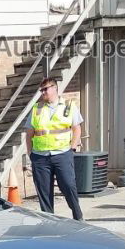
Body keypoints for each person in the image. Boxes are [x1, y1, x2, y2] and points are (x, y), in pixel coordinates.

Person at [24, 77, 84, 221]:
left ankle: (78, 216)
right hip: (40, 156)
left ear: (55, 88)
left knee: (68, 186)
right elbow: (29, 133)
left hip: (62, 153)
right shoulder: (36, 109)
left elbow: (77, 128)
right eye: (41, 90)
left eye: (46, 89)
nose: (43, 92)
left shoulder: (69, 106)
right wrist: (30, 153)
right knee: (44, 192)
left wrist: (73, 147)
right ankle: (49, 221)